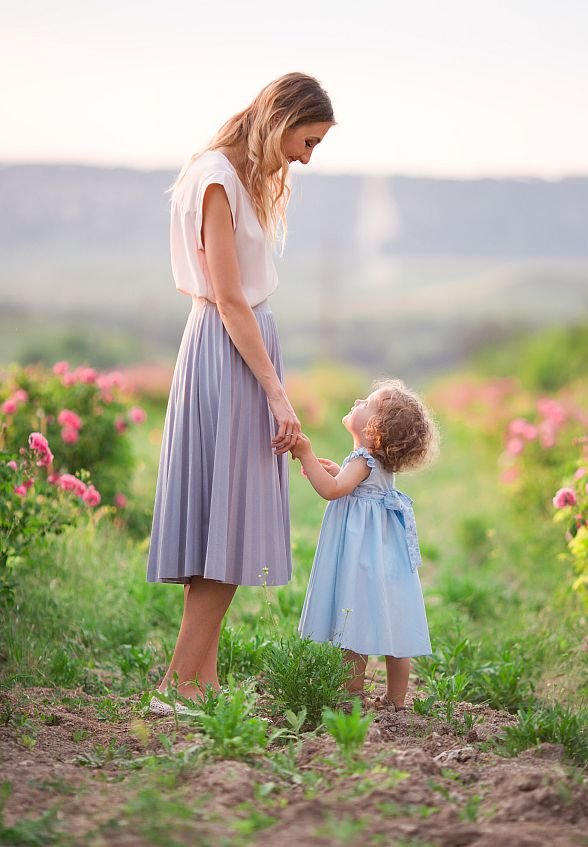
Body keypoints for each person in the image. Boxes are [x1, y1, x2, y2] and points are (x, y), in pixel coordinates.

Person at [146, 73, 335, 715]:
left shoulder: (223, 174)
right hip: (232, 350)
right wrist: (277, 394)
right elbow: (230, 298)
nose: (306, 158)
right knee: (224, 521)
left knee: (219, 522)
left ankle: (199, 681)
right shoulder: (218, 178)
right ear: (281, 119)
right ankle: (178, 684)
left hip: (231, 345)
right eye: (307, 141)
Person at [290, 379, 439, 711]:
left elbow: (332, 490)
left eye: (367, 404)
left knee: (353, 614)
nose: (358, 400)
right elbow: (348, 485)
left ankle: (352, 693)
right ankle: (396, 699)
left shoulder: (363, 459)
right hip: (384, 551)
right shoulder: (376, 461)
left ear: (376, 431)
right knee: (394, 618)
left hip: (361, 554)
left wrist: (306, 455)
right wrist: (335, 470)